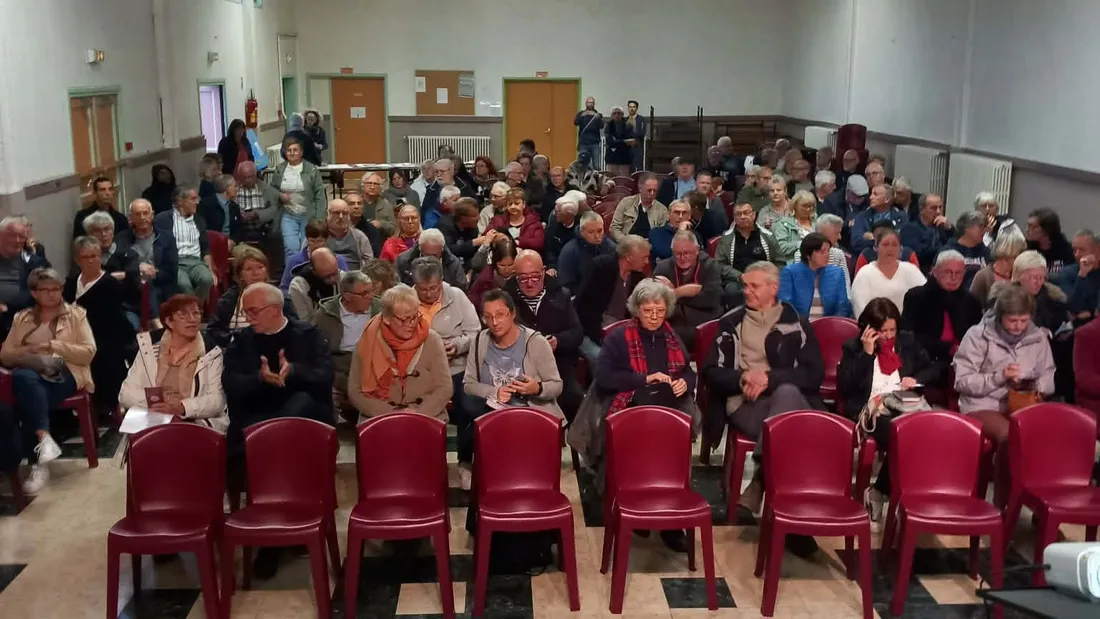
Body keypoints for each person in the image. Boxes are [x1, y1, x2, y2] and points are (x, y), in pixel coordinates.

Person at [576, 279, 700, 550]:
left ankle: (670, 520)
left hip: (667, 405)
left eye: (660, 310)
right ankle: (634, 503)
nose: (654, 317)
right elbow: (604, 377)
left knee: (673, 438)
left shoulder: (671, 336)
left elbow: (687, 372)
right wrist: (644, 379)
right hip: (628, 403)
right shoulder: (619, 338)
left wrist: (685, 382)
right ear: (636, 310)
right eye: (648, 311)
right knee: (648, 433)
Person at [701, 261, 824, 515]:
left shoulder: (797, 323)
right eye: (745, 286)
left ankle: (761, 479)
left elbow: (813, 375)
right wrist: (743, 377)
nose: (746, 291)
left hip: (786, 402)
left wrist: (769, 379)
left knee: (787, 395)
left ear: (773, 288)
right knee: (801, 425)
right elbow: (711, 372)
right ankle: (797, 515)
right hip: (745, 404)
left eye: (754, 286)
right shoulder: (731, 323)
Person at [222, 283, 334, 532]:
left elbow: (325, 376)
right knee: (250, 434)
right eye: (245, 312)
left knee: (302, 403)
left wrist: (294, 371)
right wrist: (259, 378)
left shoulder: (308, 335)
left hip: (302, 423)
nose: (247, 318)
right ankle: (268, 525)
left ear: (274, 310)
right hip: (256, 418)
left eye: (253, 312)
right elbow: (230, 383)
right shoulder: (242, 341)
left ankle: (297, 524)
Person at [837, 297, 939, 527]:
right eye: (883, 331)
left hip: (904, 404)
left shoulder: (907, 342)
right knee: (904, 435)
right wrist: (866, 354)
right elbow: (846, 388)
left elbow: (933, 368)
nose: (889, 335)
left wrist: (916, 378)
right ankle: (888, 494)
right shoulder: (853, 348)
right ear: (869, 329)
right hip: (872, 409)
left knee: (926, 433)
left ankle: (882, 491)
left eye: (892, 330)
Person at [954, 284, 1055, 500]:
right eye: (1013, 320)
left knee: (1051, 435)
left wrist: (1033, 383)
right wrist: (1000, 376)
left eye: (1024, 320)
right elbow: (962, 381)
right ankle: (1003, 504)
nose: (1019, 326)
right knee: (1011, 436)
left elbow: (1049, 377)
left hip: (1023, 403)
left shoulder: (1038, 337)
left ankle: (1041, 503)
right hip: (983, 404)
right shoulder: (978, 336)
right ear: (1000, 316)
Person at [1, 268, 96, 494]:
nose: (53, 294)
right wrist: (29, 351)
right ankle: (43, 441)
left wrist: (53, 346)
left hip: (66, 373)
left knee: (25, 390)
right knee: (27, 383)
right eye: (46, 290)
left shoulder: (76, 315)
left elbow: (88, 352)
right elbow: (5, 355)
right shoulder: (22, 317)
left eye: (57, 289)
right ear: (34, 293)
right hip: (31, 375)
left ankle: (37, 461)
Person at [119, 293, 228, 433]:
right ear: (169, 322)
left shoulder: (211, 353)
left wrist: (182, 407)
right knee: (146, 439)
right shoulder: (149, 350)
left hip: (196, 422)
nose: (192, 320)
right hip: (154, 419)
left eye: (196, 313)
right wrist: (160, 402)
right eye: (183, 315)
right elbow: (126, 394)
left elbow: (217, 401)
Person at [348, 283, 452, 421]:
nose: (412, 324)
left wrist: (418, 414)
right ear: (387, 318)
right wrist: (390, 413)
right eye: (405, 319)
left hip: (426, 415)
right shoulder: (367, 342)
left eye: (415, 316)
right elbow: (355, 392)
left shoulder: (432, 340)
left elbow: (444, 388)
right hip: (379, 417)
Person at [506, 251, 584, 423]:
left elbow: (577, 333)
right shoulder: (506, 299)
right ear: (514, 276)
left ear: (543, 271)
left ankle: (568, 438)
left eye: (535, 276)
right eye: (523, 278)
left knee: (574, 399)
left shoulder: (561, 295)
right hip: (517, 367)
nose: (530, 283)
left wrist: (558, 341)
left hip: (557, 365)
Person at [901, 251, 984, 379]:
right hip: (926, 361)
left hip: (965, 362)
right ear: (935, 272)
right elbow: (909, 337)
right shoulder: (916, 297)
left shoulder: (972, 301)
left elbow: (978, 337)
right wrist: (947, 348)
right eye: (948, 272)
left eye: (958, 273)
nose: (954, 278)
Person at [312, 271, 380, 418]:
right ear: (347, 296)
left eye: (371, 291)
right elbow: (316, 353)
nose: (370, 297)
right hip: (338, 372)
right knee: (323, 397)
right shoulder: (325, 315)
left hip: (373, 370)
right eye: (364, 293)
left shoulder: (381, 310)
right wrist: (335, 377)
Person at [574, 235, 650, 365]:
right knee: (603, 360)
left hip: (622, 333)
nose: (647, 262)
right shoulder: (601, 268)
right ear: (629, 257)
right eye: (644, 257)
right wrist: (603, 338)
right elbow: (584, 310)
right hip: (589, 332)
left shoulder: (638, 278)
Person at [208, 246, 296, 348]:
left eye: (260, 267)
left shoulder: (280, 298)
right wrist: (235, 340)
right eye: (249, 269)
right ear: (240, 275)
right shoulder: (228, 300)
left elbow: (293, 328)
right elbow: (213, 331)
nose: (255, 273)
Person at [653, 230, 723, 348]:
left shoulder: (710, 266)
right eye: (677, 254)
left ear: (697, 250)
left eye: (687, 253)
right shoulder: (662, 268)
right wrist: (681, 292)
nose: (682, 258)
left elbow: (712, 299)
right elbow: (658, 302)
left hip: (705, 321)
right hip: (675, 324)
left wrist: (674, 294)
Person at [154, 185, 217, 304]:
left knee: (207, 279)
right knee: (184, 284)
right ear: (180, 201)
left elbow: (205, 248)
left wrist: (210, 270)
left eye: (197, 198)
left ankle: (194, 307)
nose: (197, 202)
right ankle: (192, 310)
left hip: (195, 261)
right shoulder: (162, 219)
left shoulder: (199, 220)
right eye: (193, 199)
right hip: (175, 262)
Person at [850, 226, 926, 317]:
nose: (890, 249)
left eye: (894, 245)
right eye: (885, 244)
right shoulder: (864, 274)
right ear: (876, 247)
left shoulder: (911, 270)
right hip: (875, 322)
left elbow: (926, 297)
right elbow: (860, 308)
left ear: (900, 248)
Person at [271, 136, 327, 259]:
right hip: (288, 215)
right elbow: (272, 190)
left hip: (308, 216)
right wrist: (280, 196)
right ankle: (292, 270)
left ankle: (306, 269)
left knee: (305, 248)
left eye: (295, 150)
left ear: (301, 152)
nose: (292, 153)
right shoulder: (280, 169)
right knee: (290, 248)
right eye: (289, 150)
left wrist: (319, 218)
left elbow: (320, 196)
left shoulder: (312, 169)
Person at [989, 251, 1068, 333]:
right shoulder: (1001, 300)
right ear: (1018, 276)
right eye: (1033, 277)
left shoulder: (1054, 302)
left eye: (1042, 277)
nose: (1038, 282)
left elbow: (1062, 331)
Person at [778, 233, 851, 318]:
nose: (827, 255)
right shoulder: (790, 273)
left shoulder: (837, 273)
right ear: (808, 255)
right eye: (822, 252)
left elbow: (842, 306)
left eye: (828, 251)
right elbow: (786, 306)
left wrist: (833, 324)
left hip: (829, 323)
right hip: (798, 324)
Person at [557, 210, 616, 295]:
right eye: (591, 232)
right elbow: (566, 284)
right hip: (580, 297)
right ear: (582, 232)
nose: (597, 236)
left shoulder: (611, 248)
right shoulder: (569, 252)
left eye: (600, 231)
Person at [278, 220, 348, 291]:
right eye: (312, 241)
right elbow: (284, 288)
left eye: (320, 241)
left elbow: (347, 286)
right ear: (307, 240)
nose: (316, 245)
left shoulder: (338, 260)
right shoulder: (294, 261)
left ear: (326, 240)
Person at [395, 228, 467, 291]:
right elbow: (396, 286)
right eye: (427, 255)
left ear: (442, 249)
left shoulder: (453, 263)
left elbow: (461, 289)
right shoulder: (403, 260)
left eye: (435, 255)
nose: (431, 259)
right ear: (420, 249)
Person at [232, 161, 282, 251]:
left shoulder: (266, 189)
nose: (247, 180)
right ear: (239, 177)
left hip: (262, 231)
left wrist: (258, 214)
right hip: (240, 231)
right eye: (244, 177)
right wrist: (239, 216)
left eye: (250, 177)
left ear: (255, 175)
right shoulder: (234, 189)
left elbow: (275, 209)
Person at [970, 231, 1027, 305]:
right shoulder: (983, 276)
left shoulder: (1020, 275)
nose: (1022, 258)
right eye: (1020, 254)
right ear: (1008, 255)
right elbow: (971, 306)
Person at [1055, 229, 1100, 321]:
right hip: (1081, 325)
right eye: (1074, 250)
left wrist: (1090, 312)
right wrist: (1082, 274)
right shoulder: (1066, 273)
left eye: (1082, 250)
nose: (1076, 255)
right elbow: (1074, 308)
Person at [899, 193, 952, 270]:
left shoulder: (944, 227)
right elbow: (919, 255)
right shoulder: (910, 228)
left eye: (940, 207)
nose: (938, 211)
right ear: (921, 210)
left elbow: (958, 247)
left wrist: (950, 229)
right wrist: (945, 248)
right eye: (933, 208)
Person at [850, 184, 907, 255]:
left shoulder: (901, 217)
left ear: (887, 199)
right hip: (869, 257)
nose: (870, 197)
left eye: (875, 194)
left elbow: (905, 241)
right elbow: (856, 243)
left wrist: (874, 238)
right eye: (871, 194)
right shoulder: (862, 216)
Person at [610, 173, 668, 243]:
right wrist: (625, 241)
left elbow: (661, 234)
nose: (652, 193)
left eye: (655, 190)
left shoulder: (662, 210)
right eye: (649, 190)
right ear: (640, 188)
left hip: (649, 244)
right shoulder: (626, 202)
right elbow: (615, 227)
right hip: (626, 243)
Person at [288, 247, 340, 322]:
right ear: (313, 271)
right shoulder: (297, 288)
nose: (333, 279)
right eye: (327, 277)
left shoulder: (343, 277)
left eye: (335, 273)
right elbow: (304, 322)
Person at [943, 211, 992, 290]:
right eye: (981, 226)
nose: (985, 230)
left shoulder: (986, 252)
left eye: (985, 227)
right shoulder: (948, 252)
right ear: (967, 228)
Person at [468, 236, 518, 313]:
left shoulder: (522, 275)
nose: (507, 270)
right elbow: (472, 300)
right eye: (502, 265)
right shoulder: (485, 279)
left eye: (511, 265)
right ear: (495, 263)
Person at [489, 188, 545, 252]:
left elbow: (539, 243)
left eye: (517, 203)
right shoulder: (498, 220)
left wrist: (518, 242)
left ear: (524, 204)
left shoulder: (534, 222)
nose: (513, 207)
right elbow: (484, 238)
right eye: (510, 204)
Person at [324, 198, 373, 271]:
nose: (341, 217)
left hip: (354, 275)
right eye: (336, 213)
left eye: (344, 213)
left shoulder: (359, 236)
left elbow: (370, 262)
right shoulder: (319, 234)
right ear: (327, 214)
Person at [772, 190, 818, 263]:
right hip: (793, 262)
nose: (808, 209)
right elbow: (781, 248)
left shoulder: (818, 222)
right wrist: (802, 244)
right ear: (795, 206)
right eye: (804, 206)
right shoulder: (783, 224)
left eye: (810, 206)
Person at [1026, 207, 1075, 275]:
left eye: (1033, 227)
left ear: (1047, 229)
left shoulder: (1067, 251)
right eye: (1028, 226)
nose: (1027, 230)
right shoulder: (1027, 249)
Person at [437, 197, 481, 271]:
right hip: (447, 268)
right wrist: (473, 243)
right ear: (463, 218)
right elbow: (448, 251)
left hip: (467, 268)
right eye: (474, 216)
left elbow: (472, 255)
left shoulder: (473, 227)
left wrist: (470, 271)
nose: (478, 218)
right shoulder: (444, 225)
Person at [814, 214, 852, 291]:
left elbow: (846, 284)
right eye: (836, 233)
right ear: (823, 234)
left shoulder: (839, 254)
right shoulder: (802, 253)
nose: (840, 237)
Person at [545, 193, 580, 272]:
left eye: (558, 212)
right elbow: (549, 250)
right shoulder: (552, 226)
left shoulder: (581, 226)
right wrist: (552, 266)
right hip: (558, 265)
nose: (554, 213)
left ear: (569, 214)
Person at [359, 172, 398, 242]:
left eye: (375, 184)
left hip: (379, 243)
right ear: (363, 185)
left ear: (380, 188)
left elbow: (393, 228)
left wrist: (381, 224)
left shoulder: (386, 205)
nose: (372, 187)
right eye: (369, 183)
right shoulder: (356, 203)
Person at [603, 106, 631, 177]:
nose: (617, 115)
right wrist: (624, 142)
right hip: (611, 158)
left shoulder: (628, 125)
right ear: (611, 115)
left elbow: (630, 142)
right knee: (611, 179)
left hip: (624, 157)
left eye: (619, 113)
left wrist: (617, 142)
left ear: (622, 115)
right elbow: (610, 142)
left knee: (624, 179)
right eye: (614, 113)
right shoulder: (608, 126)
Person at [575, 96, 603, 165]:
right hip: (583, 143)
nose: (590, 104)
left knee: (596, 165)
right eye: (589, 102)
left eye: (592, 102)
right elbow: (575, 122)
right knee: (583, 164)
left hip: (595, 143)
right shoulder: (581, 113)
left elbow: (601, 126)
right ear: (586, 103)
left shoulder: (597, 115)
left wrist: (598, 117)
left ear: (594, 104)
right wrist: (582, 116)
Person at [625, 99, 647, 172]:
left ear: (636, 108)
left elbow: (642, 133)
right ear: (628, 108)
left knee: (637, 168)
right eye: (630, 107)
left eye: (634, 107)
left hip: (637, 147)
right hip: (627, 148)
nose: (632, 108)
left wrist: (634, 126)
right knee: (627, 168)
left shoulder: (641, 119)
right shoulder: (625, 120)